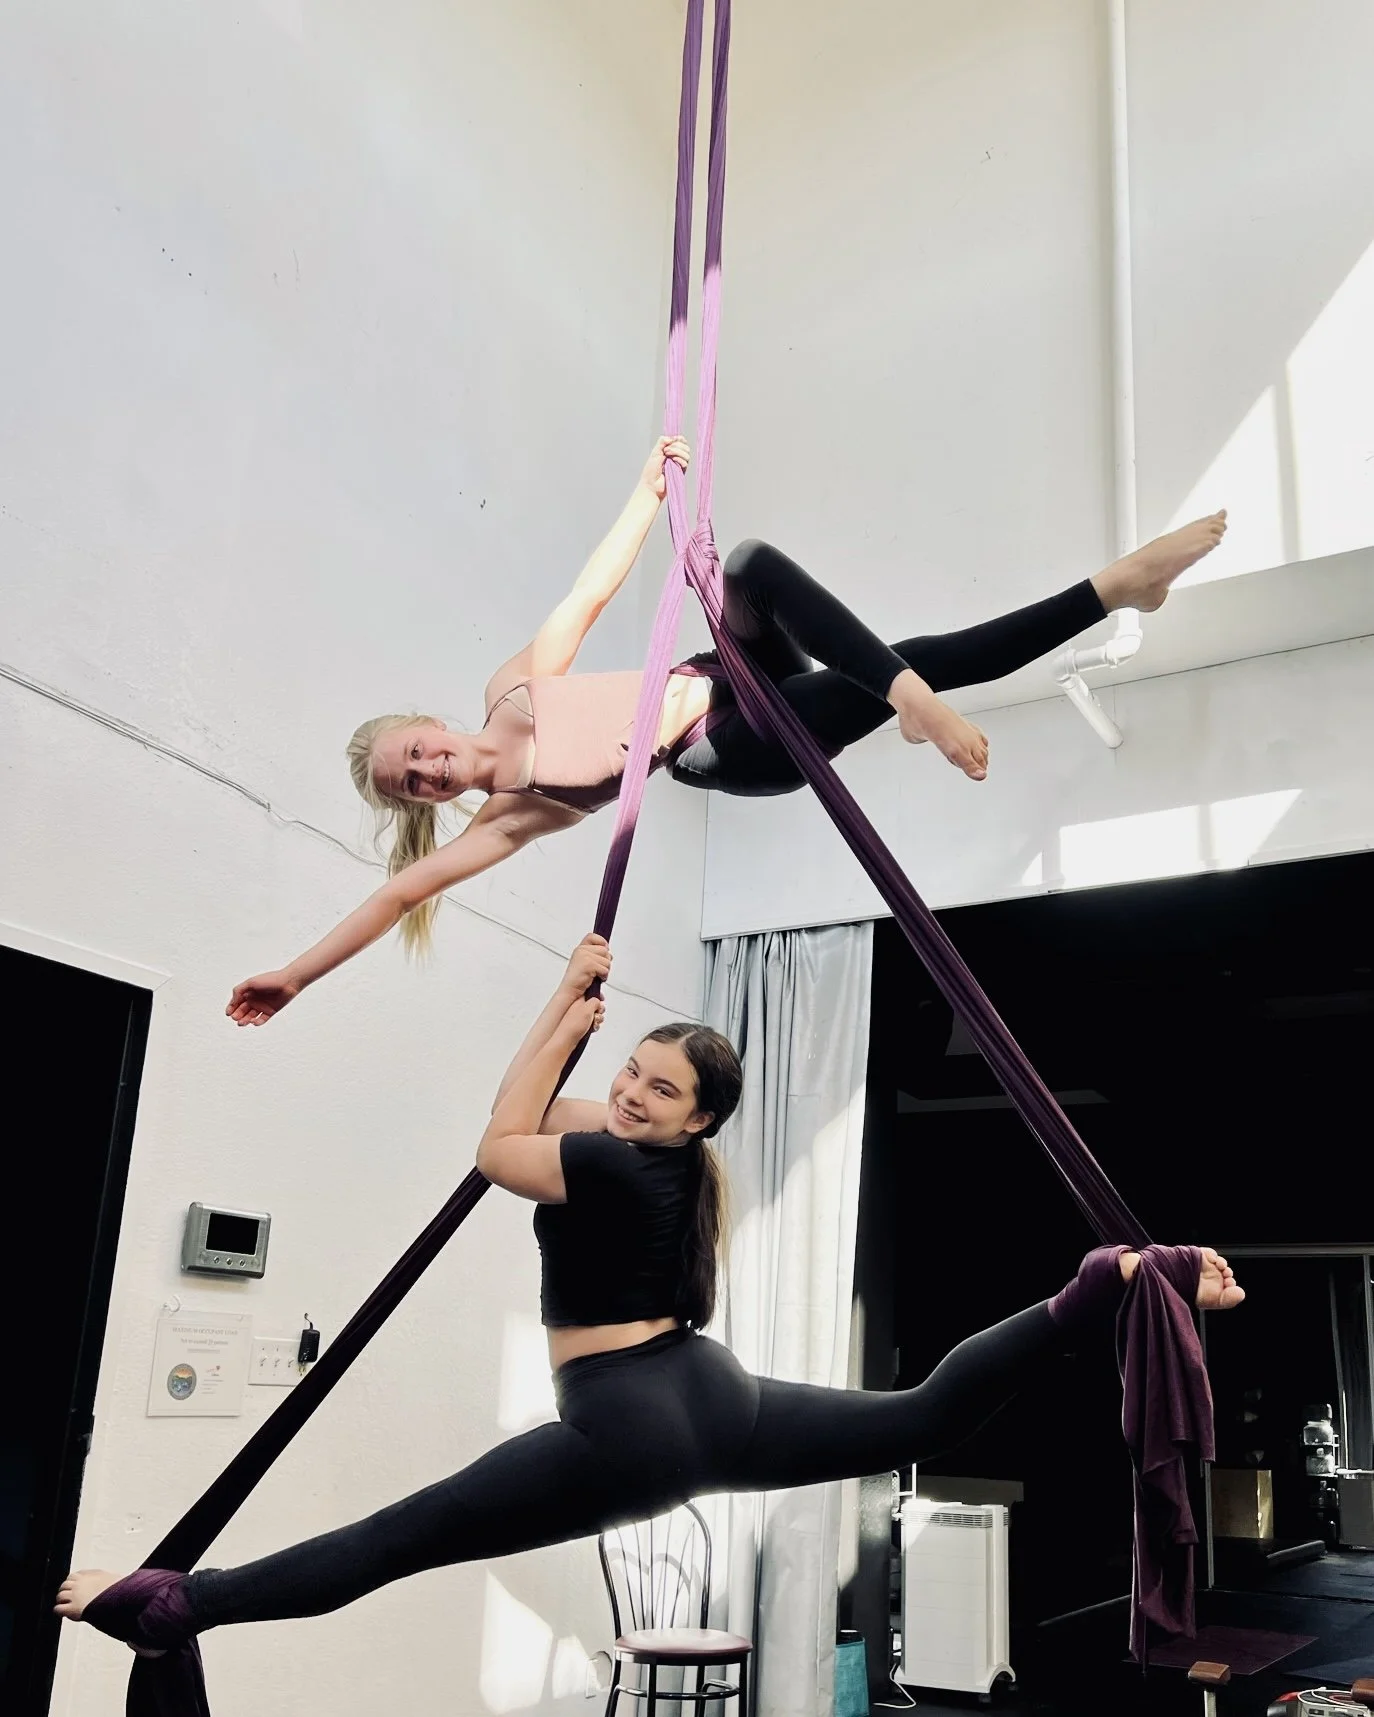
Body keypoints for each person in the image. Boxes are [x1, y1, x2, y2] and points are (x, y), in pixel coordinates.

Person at [62, 934, 1244, 1654]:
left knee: (402, 1536)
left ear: (699, 1118)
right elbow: (536, 1119)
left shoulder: (624, 1163)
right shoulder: (666, 1164)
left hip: (628, 1422)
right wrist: (580, 1036)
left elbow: (496, 1144)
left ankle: (178, 1603)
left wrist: (558, 1004)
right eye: (632, 1069)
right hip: (706, 1396)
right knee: (918, 1414)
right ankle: (1092, 1296)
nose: (630, 1091)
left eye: (658, 1087)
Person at [225, 439, 1227, 1025]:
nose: (432, 773)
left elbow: (588, 592)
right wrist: (297, 973)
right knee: (893, 668)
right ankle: (917, 683)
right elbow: (400, 892)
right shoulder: (511, 816)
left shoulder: (516, 690)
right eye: (416, 787)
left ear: (432, 724)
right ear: (428, 804)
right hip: (728, 751)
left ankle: (1094, 599)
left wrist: (646, 494)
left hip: (721, 675)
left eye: (418, 753)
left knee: (746, 566)